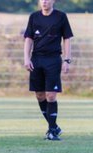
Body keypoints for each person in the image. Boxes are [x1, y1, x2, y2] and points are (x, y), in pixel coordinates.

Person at [24, 0, 73, 141]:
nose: (44, 1)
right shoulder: (34, 17)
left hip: (53, 60)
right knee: (39, 95)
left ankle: (52, 131)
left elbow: (67, 38)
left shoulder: (61, 17)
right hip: (37, 59)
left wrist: (67, 59)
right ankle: (54, 126)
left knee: (51, 95)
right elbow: (28, 39)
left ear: (53, 1)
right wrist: (26, 58)